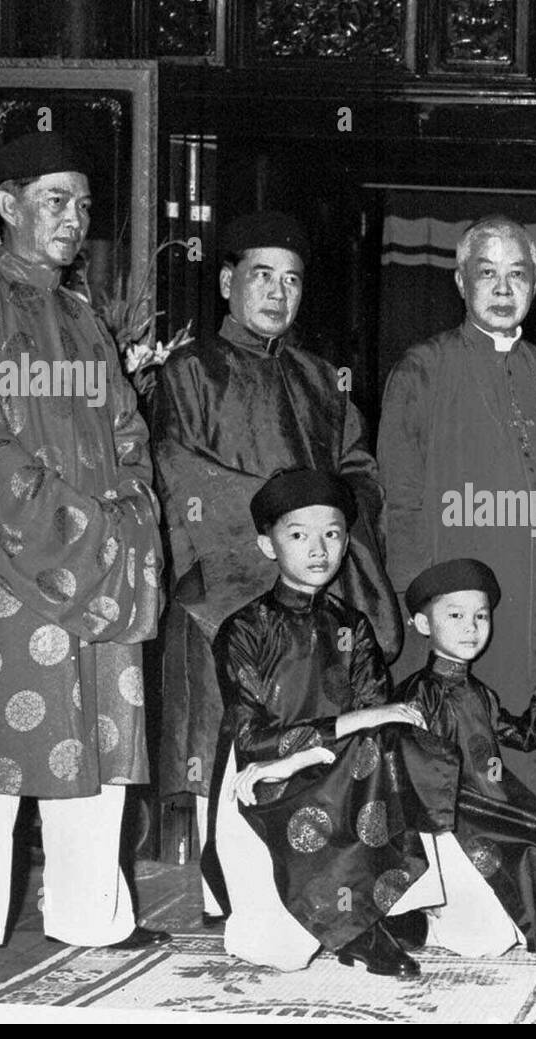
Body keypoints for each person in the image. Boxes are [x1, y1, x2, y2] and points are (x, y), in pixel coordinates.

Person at [0, 132, 168, 970]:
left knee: (94, 737)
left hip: (97, 557)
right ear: (7, 204)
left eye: (83, 204)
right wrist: (78, 534)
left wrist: (127, 519)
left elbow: (129, 433)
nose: (75, 219)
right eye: (56, 199)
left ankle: (93, 911)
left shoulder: (84, 319)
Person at [153, 211, 400, 923]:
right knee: (230, 735)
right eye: (261, 275)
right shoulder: (190, 369)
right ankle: (220, 891)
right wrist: (276, 523)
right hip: (227, 587)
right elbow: (177, 466)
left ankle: (313, 883)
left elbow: (358, 471)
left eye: (291, 280)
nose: (277, 292)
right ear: (229, 281)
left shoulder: (322, 377)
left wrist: (326, 524)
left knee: (311, 735)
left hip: (313, 588)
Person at [378, 214, 536, 813]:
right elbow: (399, 495)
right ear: (460, 281)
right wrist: (415, 598)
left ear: (535, 284)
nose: (503, 289)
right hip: (459, 598)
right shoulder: (422, 368)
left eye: (518, 274)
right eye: (488, 273)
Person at [208, 469, 434, 978]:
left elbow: (381, 718)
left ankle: (363, 924)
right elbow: (250, 738)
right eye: (297, 535)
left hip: (349, 779)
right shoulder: (243, 630)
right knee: (281, 953)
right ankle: (347, 912)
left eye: (331, 534)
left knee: (386, 740)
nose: (318, 548)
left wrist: (348, 734)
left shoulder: (353, 627)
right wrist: (323, 742)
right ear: (267, 546)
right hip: (268, 783)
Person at [393, 559, 536, 956]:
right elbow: (417, 776)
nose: (471, 627)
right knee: (487, 942)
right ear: (424, 625)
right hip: (448, 822)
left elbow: (524, 737)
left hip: (490, 806)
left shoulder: (480, 692)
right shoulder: (417, 693)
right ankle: (422, 920)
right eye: (456, 615)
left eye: (480, 616)